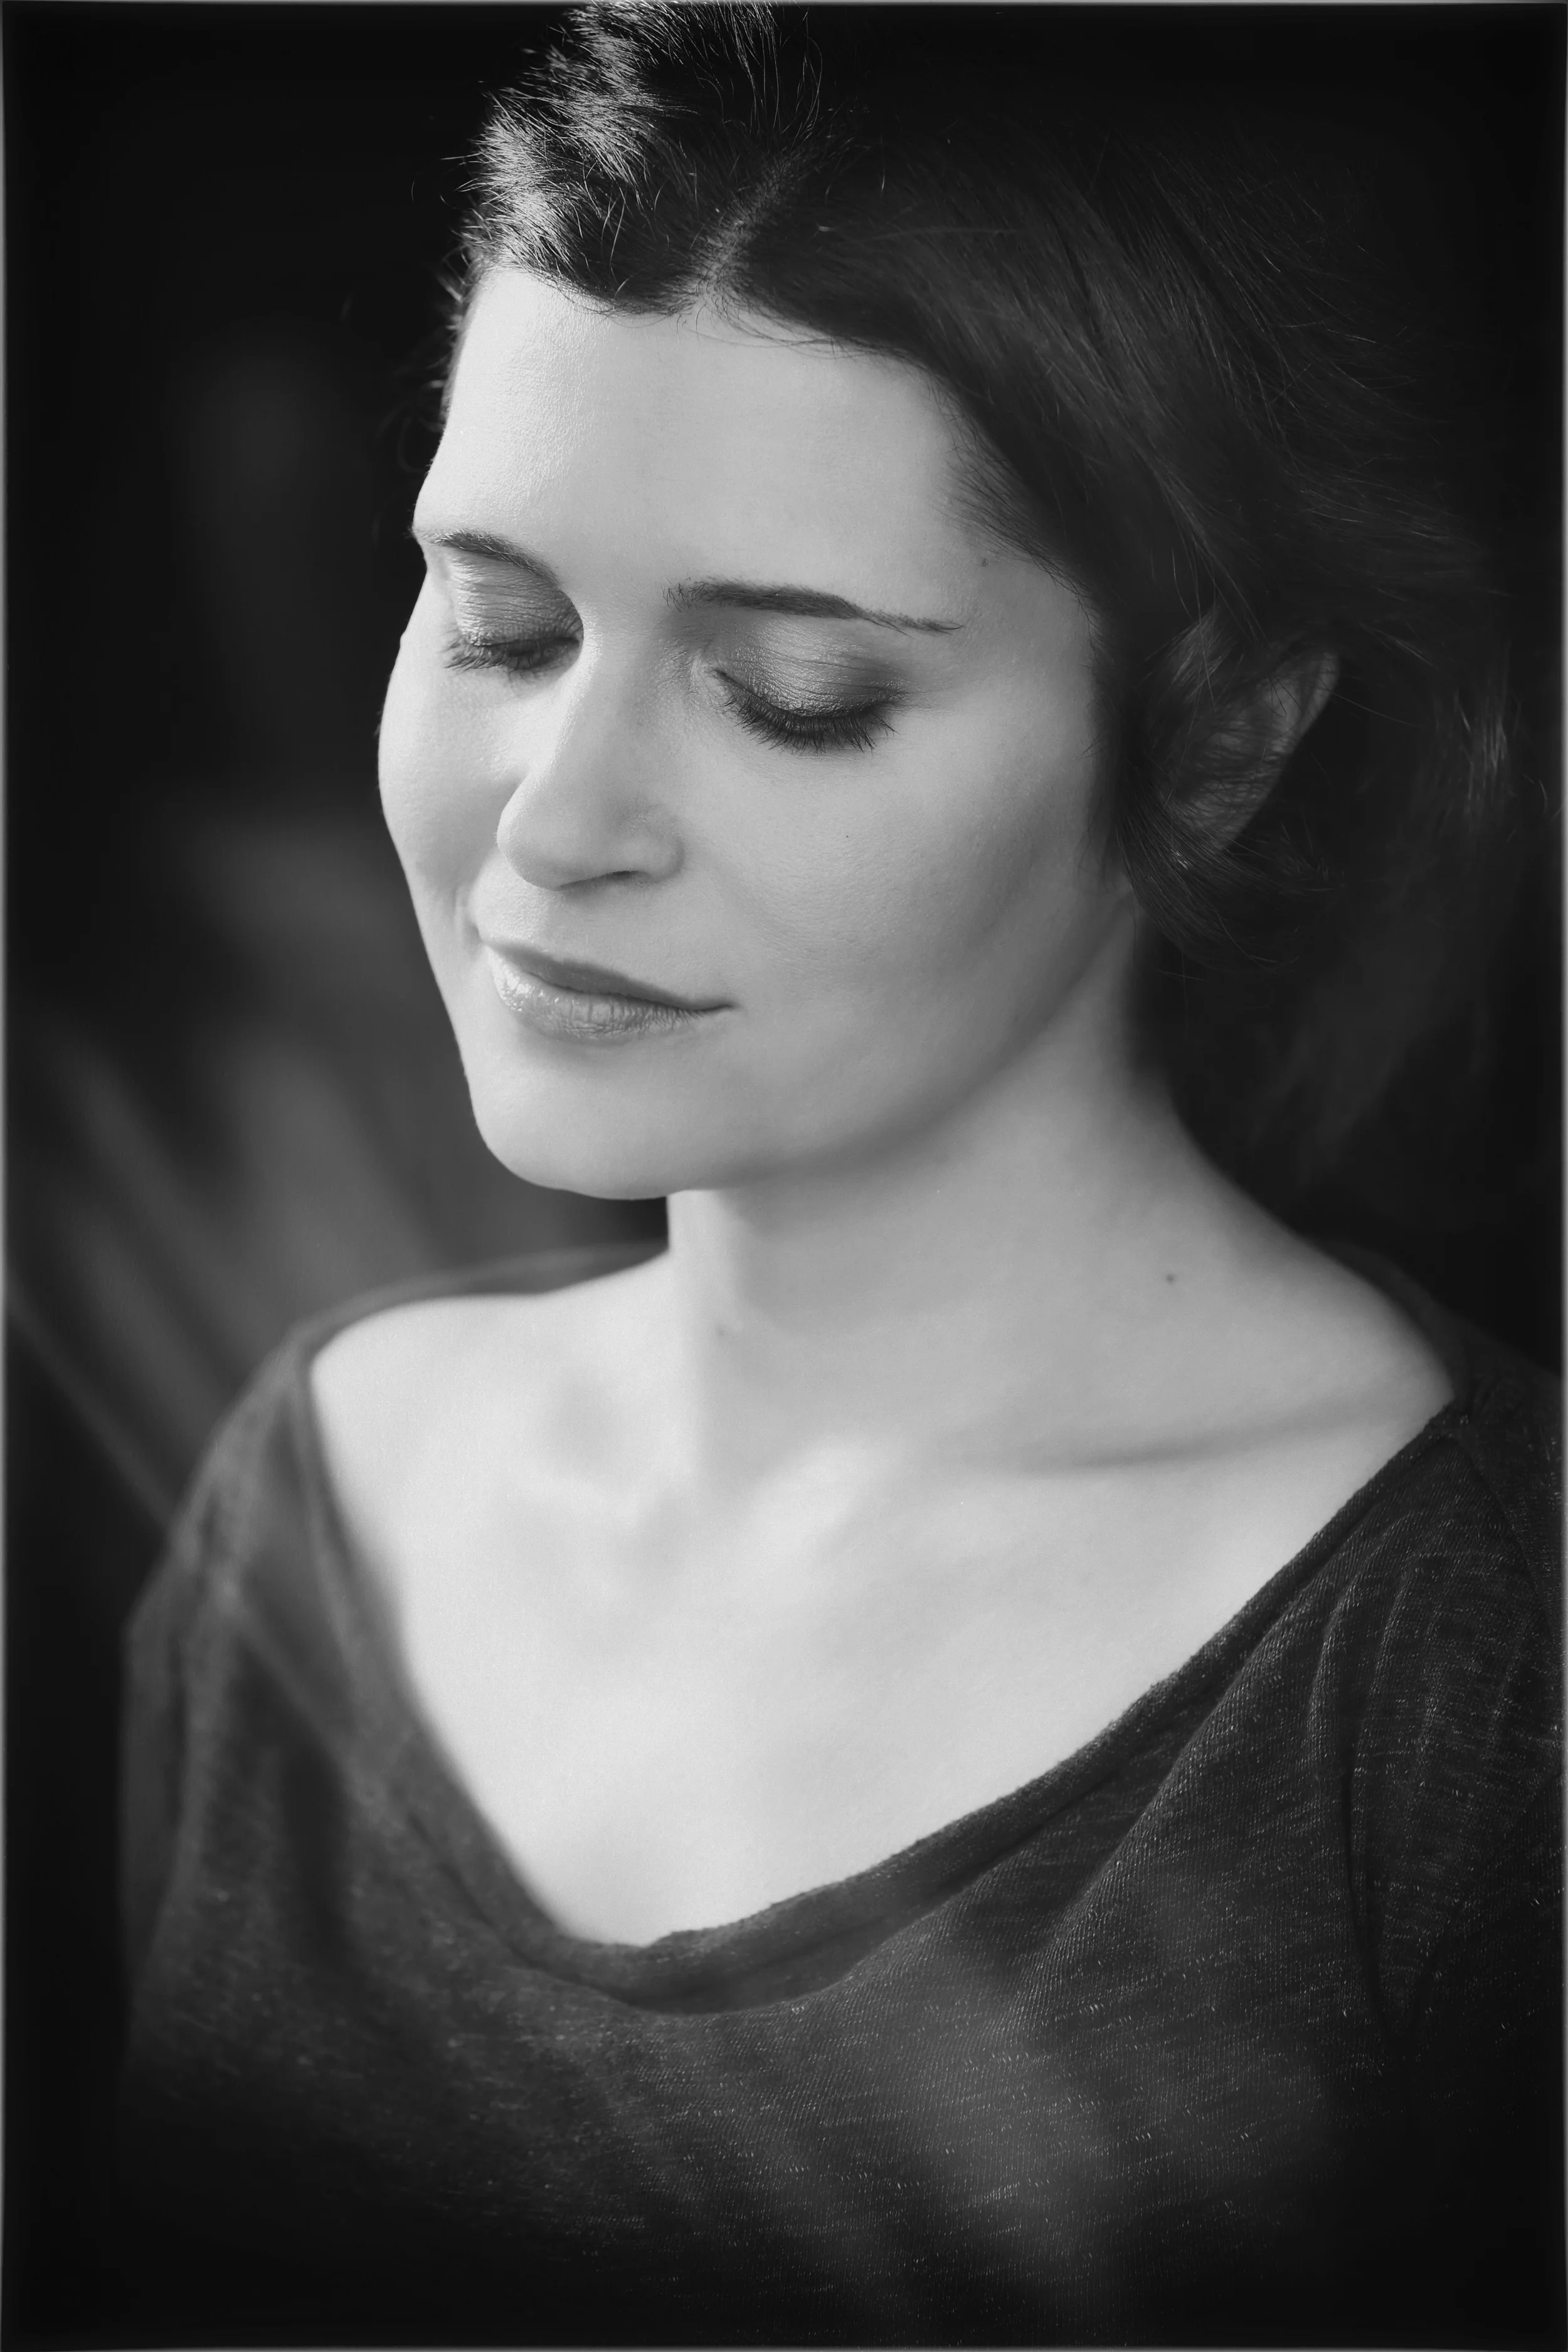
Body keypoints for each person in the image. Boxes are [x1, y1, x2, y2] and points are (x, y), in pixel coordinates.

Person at [119, 7, 1561, 2344]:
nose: (555, 821)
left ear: (1219, 737)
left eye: (789, 689)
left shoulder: (1478, 1689)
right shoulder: (316, 1476)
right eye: (497, 621)